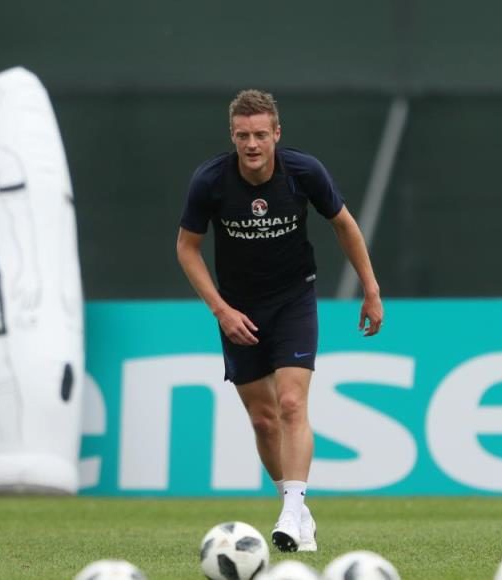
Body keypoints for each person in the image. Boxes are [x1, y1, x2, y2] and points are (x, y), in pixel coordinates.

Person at [176, 89, 383, 553]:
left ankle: (291, 511)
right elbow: (186, 248)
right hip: (238, 310)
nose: (252, 144)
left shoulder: (304, 172)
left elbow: (344, 224)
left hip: (293, 300)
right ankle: (296, 509)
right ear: (232, 136)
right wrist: (221, 310)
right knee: (264, 420)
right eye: (243, 136)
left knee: (291, 403)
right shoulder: (210, 181)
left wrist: (370, 289)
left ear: (276, 134)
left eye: (260, 135)